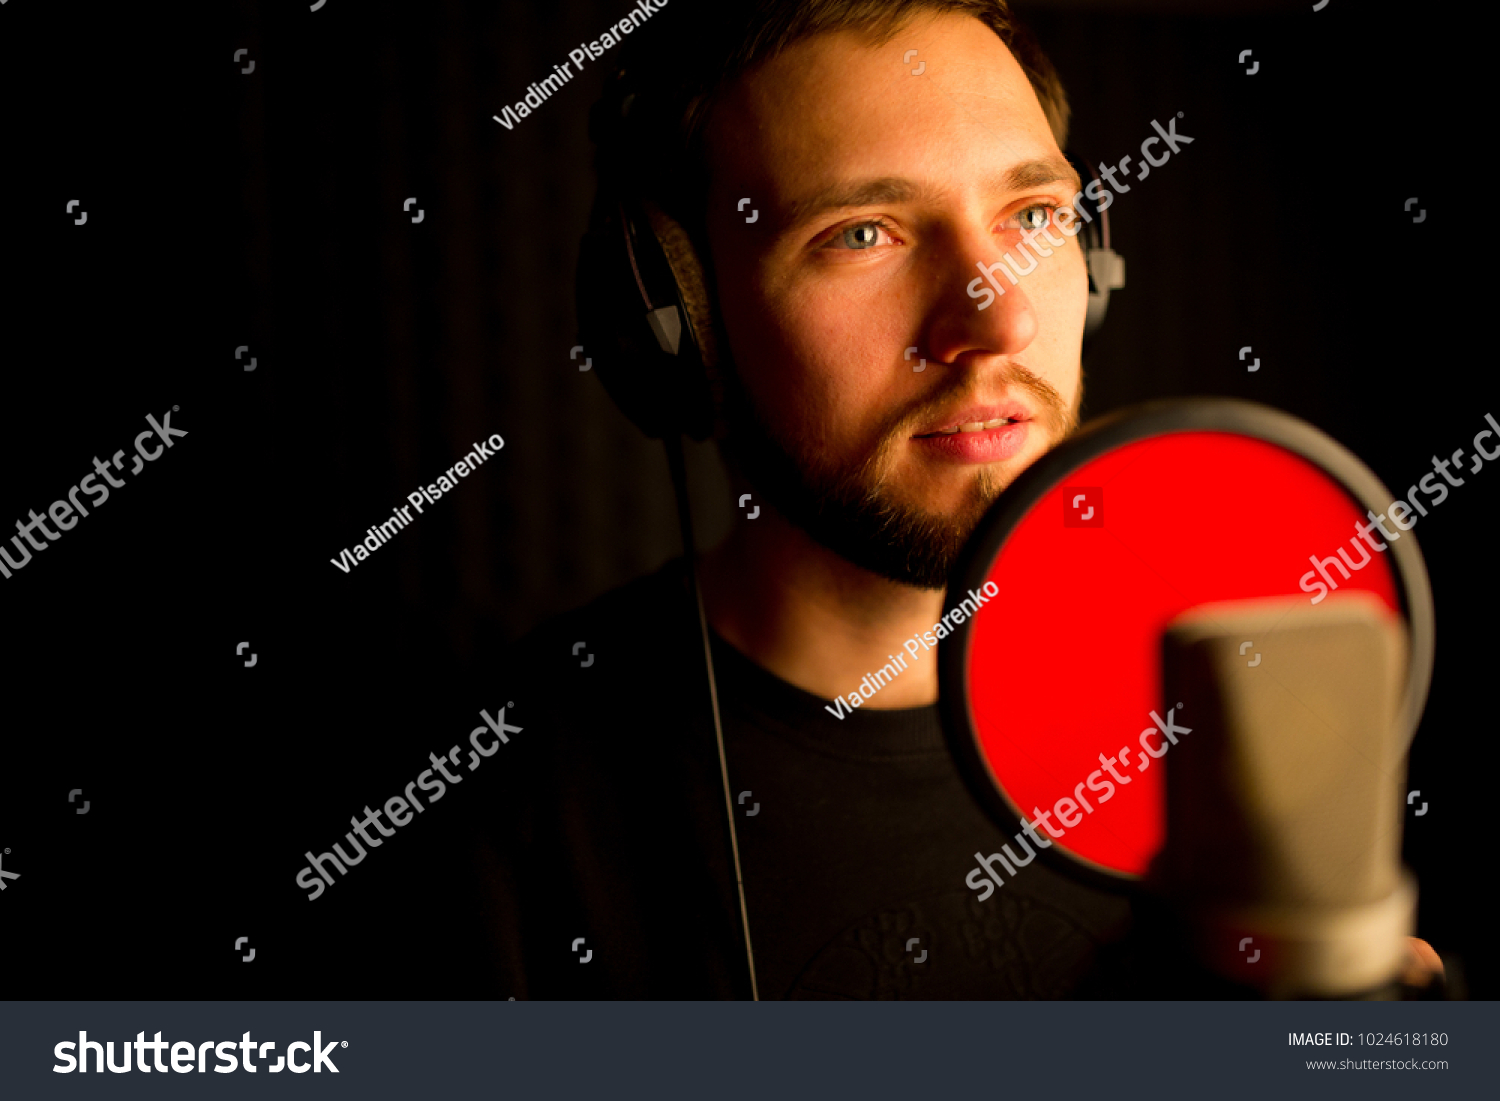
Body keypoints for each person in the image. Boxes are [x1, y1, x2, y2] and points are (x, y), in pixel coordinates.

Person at [465, 0, 1441, 999]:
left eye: (1032, 216)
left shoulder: (1235, 707)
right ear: (679, 325)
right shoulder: (497, 806)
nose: (1000, 313)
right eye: (865, 233)